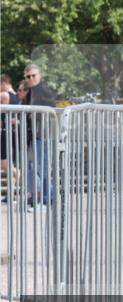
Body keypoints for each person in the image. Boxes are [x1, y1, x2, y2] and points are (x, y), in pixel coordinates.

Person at [23, 63, 56, 206]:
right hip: (35, 136)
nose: (31, 79)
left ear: (39, 76)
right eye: (28, 76)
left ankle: (48, 198)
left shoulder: (44, 91)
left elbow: (51, 107)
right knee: (34, 167)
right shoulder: (31, 92)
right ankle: (42, 196)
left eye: (33, 76)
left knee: (41, 168)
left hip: (44, 135)